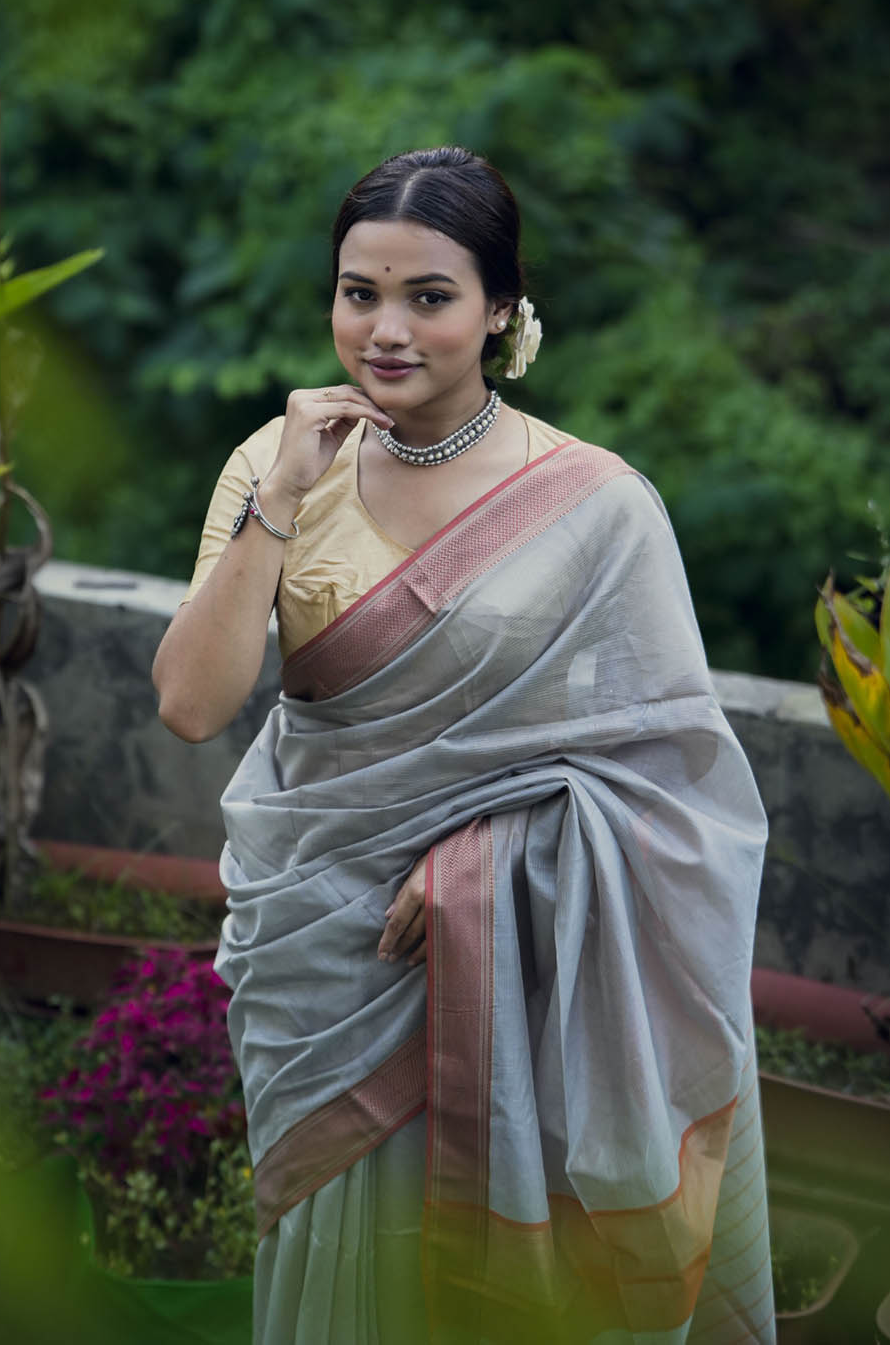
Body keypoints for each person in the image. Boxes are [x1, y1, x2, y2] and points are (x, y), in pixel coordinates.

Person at [153, 146, 776, 1345]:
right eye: (358, 292)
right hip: (324, 955)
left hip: (529, 966)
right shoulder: (269, 467)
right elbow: (191, 702)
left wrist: (492, 865)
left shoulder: (598, 507)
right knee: (342, 1256)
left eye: (428, 297)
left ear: (500, 310)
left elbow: (676, 789)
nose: (385, 329)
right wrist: (283, 491)